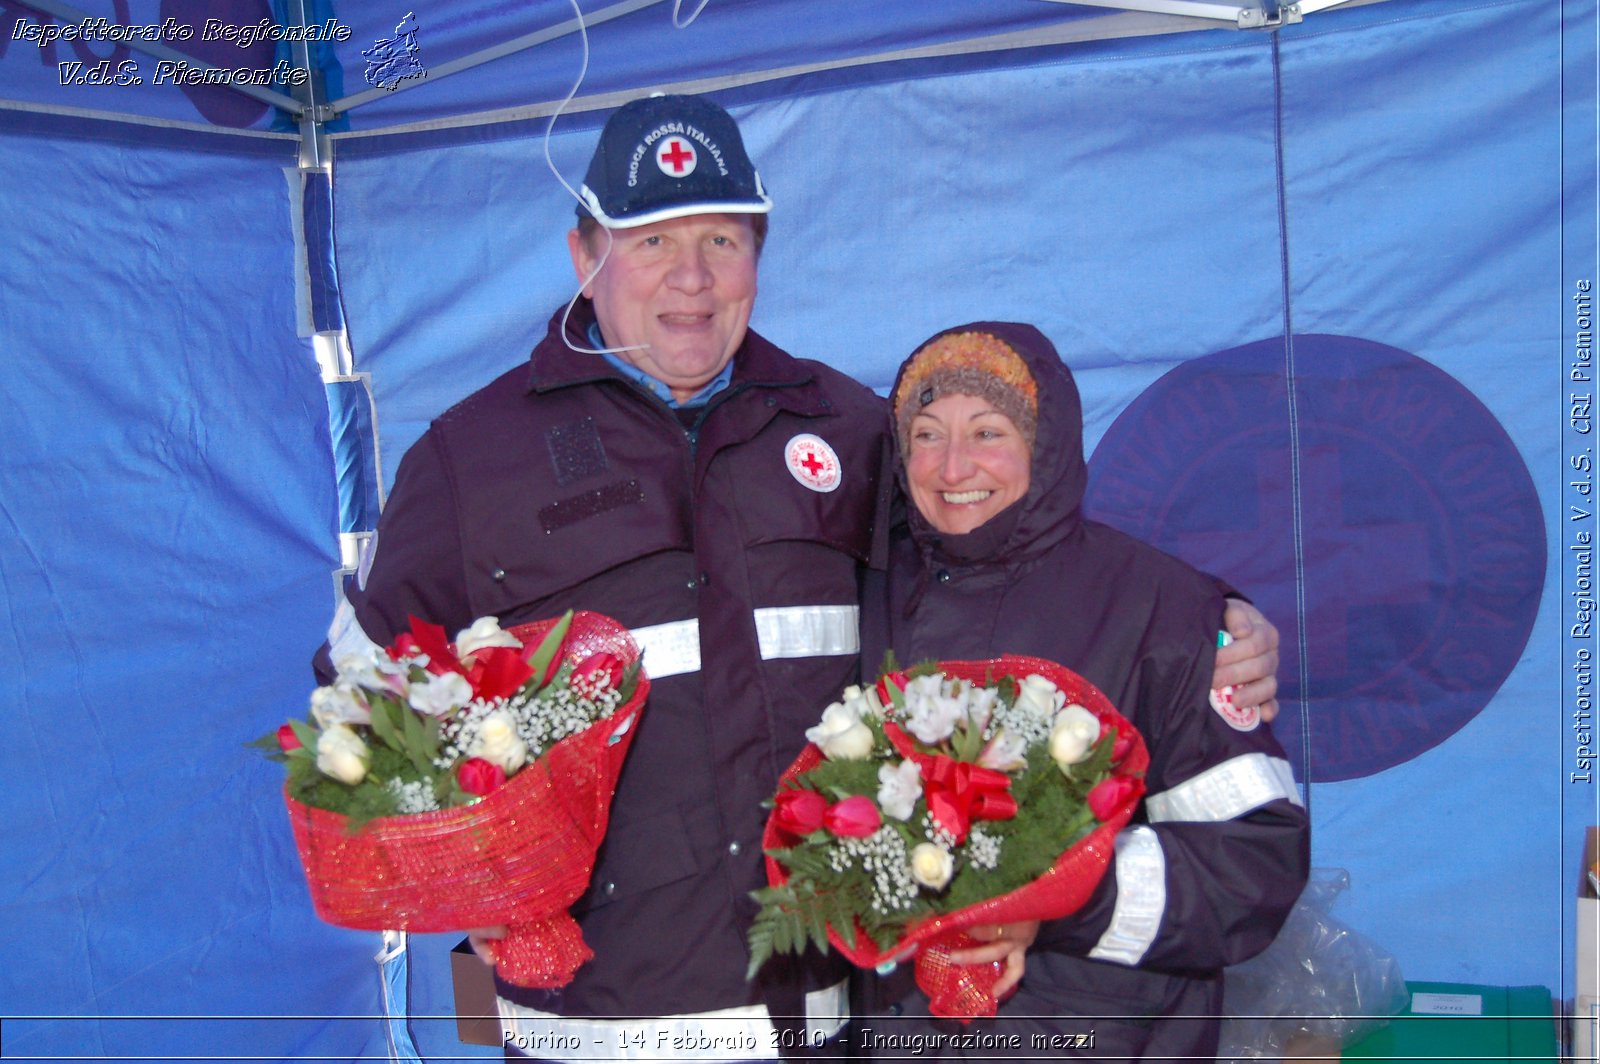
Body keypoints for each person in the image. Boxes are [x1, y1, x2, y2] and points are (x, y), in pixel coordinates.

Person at [314, 94, 1283, 1060]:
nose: (690, 279)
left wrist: (1213, 623)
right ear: (583, 257)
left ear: (759, 257)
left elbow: (996, 556)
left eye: (723, 241)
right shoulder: (471, 458)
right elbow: (358, 697)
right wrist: (452, 871)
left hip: (822, 1021)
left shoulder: (845, 425)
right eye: (651, 242)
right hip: (588, 1032)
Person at [857, 322, 1311, 1059]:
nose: (952, 466)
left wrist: (1060, 896)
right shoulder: (864, 594)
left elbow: (1253, 865)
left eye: (988, 431)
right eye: (927, 435)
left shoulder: (1165, 608)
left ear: (1047, 444)